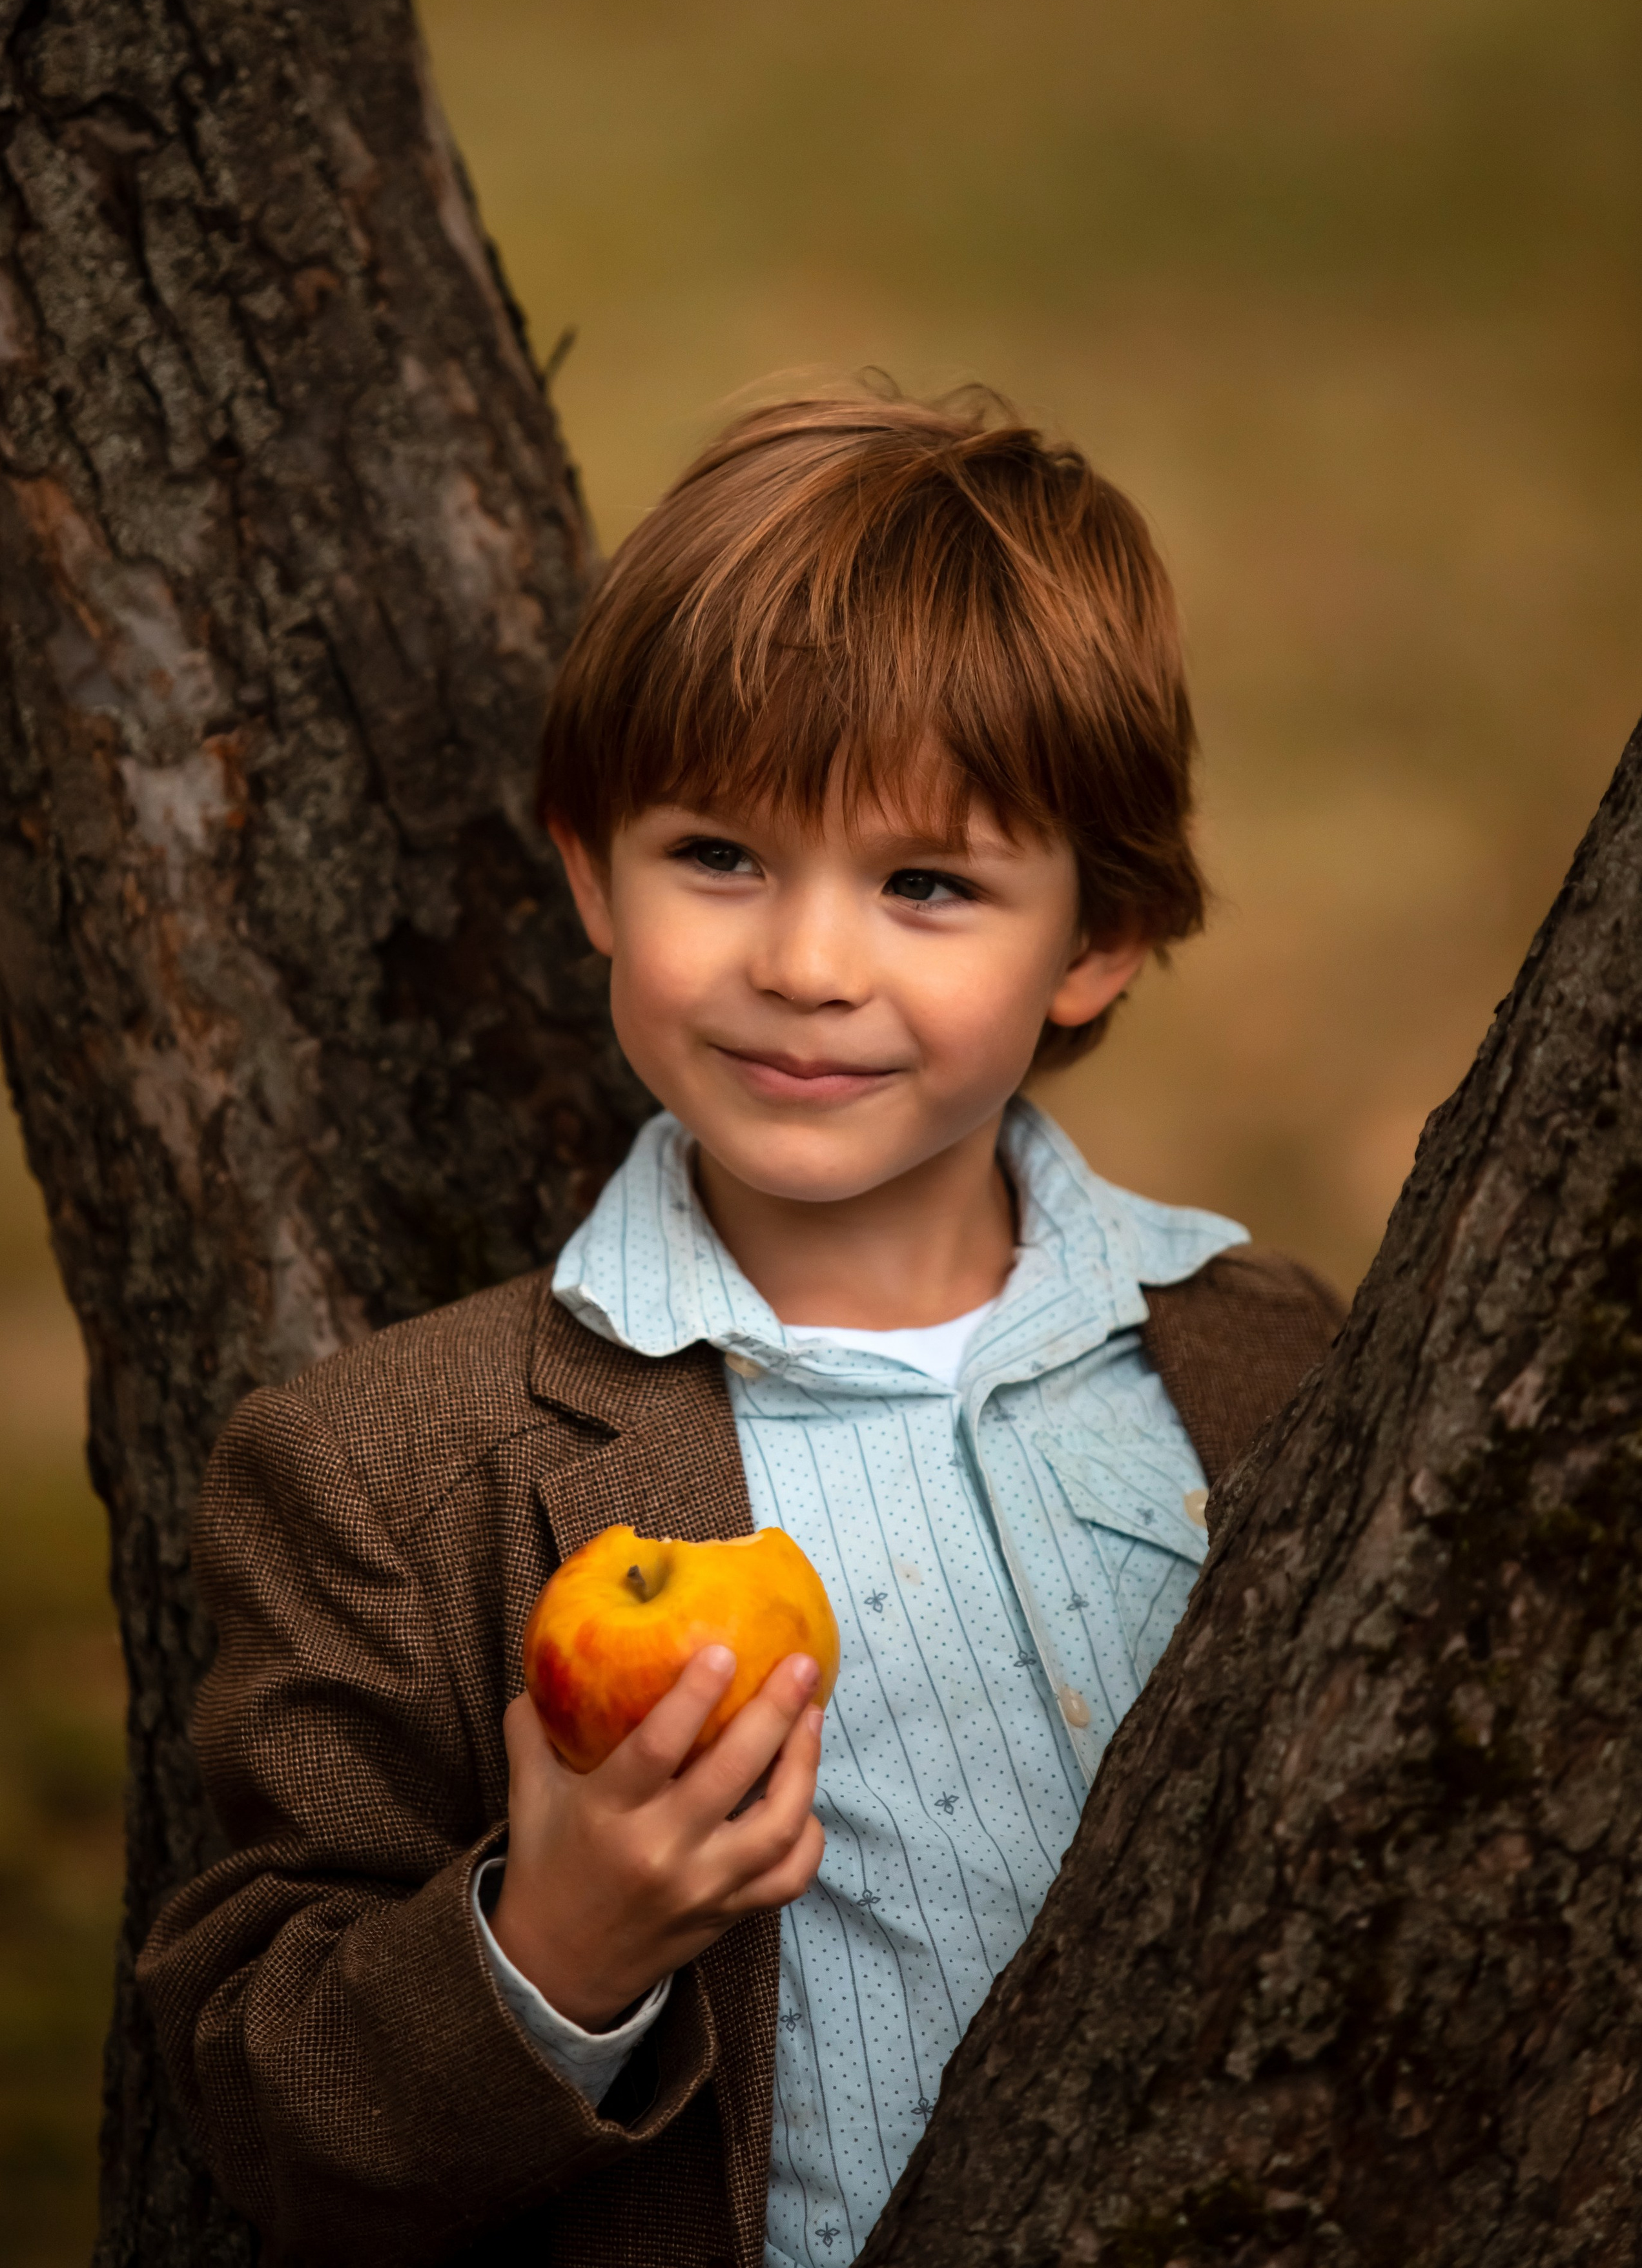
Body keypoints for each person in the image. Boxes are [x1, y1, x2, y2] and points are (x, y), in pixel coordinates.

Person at [139, 388, 1343, 2268]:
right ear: (589, 868)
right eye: (720, 856)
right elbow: (260, 2087)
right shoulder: (398, 1468)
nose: (805, 962)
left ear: (1097, 941)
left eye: (926, 883)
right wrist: (554, 1948)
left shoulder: (1274, 1370)